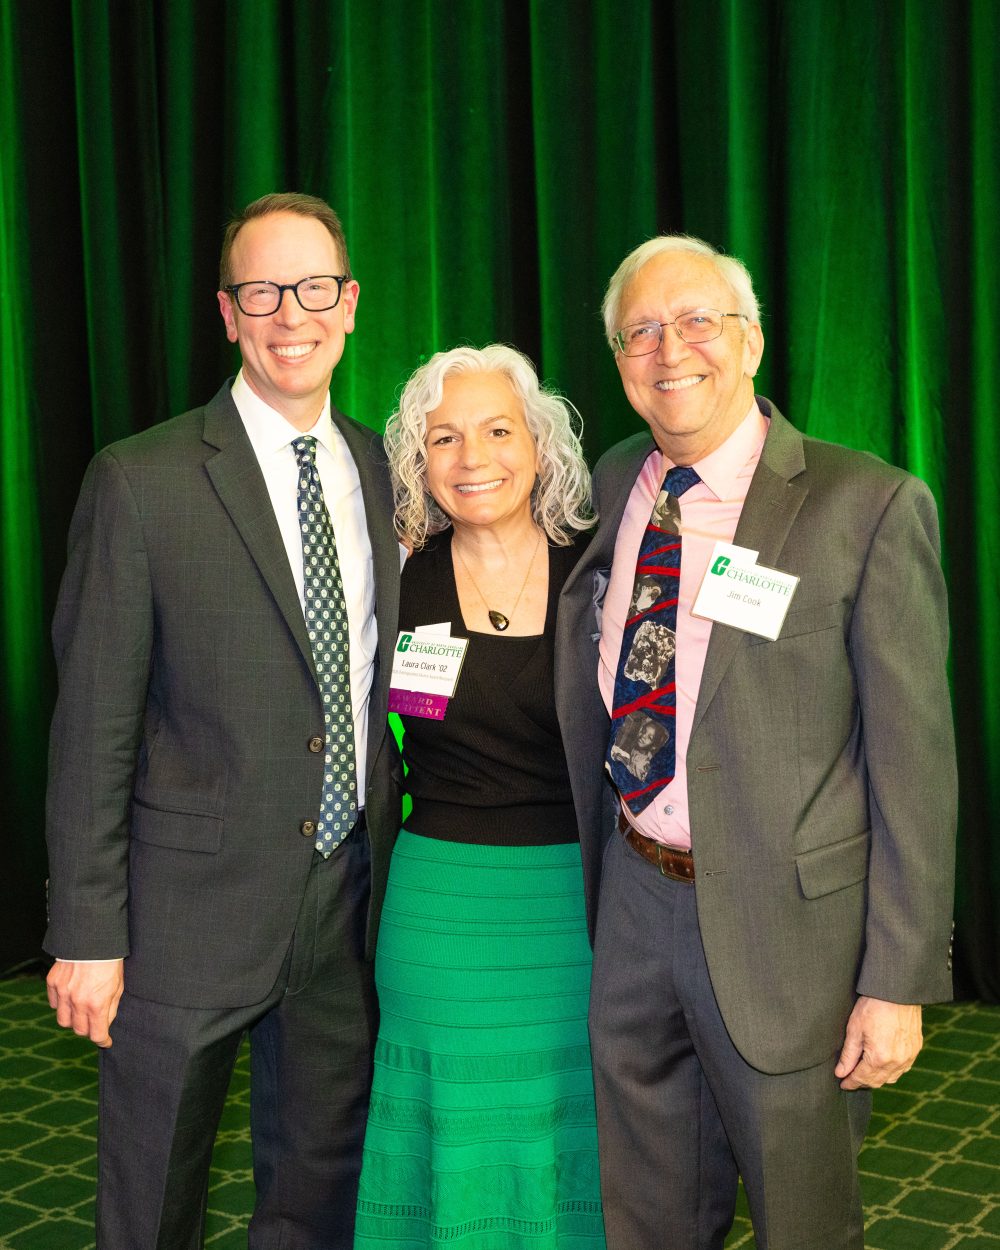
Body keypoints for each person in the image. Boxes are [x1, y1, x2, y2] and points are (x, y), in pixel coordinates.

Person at [555, 235, 958, 1250]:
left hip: (792, 941)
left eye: (697, 321)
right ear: (617, 361)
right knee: (643, 1213)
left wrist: (896, 976)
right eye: (639, 330)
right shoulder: (612, 485)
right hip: (635, 900)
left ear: (753, 341)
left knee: (804, 1223)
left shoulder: (865, 505)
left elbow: (914, 765)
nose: (668, 348)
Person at [43, 192, 402, 1249]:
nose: (289, 313)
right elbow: (92, 728)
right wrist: (88, 931)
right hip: (177, 917)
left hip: (344, 898)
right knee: (152, 1194)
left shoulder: (387, 470)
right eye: (262, 289)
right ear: (227, 310)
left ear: (348, 305)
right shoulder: (140, 478)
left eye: (312, 288)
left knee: (318, 1189)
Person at [353, 344, 606, 1249]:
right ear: (417, 463)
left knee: (566, 1133)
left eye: (499, 431)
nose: (473, 459)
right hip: (440, 912)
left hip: (579, 910)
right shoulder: (395, 574)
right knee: (449, 1131)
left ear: (540, 446)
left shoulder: (602, 569)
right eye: (443, 439)